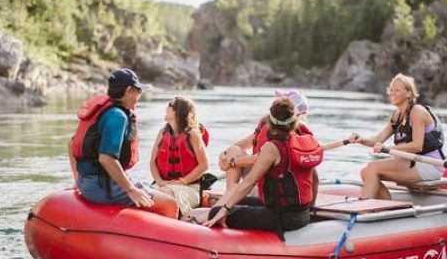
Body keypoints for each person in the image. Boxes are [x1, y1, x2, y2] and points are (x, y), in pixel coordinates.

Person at [203, 97, 322, 237]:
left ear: (269, 122)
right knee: (233, 202)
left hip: (282, 216)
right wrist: (310, 208)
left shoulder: (272, 147)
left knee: (217, 212)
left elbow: (249, 181)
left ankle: (205, 228)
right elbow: (315, 178)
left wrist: (222, 212)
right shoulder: (302, 142)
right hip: (300, 213)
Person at [68, 68, 177, 214]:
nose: (140, 95)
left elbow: (72, 143)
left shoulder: (103, 111)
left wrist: (78, 181)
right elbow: (106, 159)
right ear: (128, 91)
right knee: (170, 204)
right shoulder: (118, 116)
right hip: (104, 187)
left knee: (161, 192)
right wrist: (131, 190)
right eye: (139, 91)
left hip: (87, 183)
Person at [348, 73, 445, 200]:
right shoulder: (397, 115)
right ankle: (385, 204)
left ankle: (364, 207)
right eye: (391, 90)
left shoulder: (417, 112)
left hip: (428, 165)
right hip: (411, 162)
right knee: (365, 172)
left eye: (397, 90)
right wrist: (361, 139)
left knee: (372, 168)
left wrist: (388, 149)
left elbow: (417, 145)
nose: (392, 93)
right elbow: (378, 139)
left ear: (409, 93)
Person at [214, 89, 313, 207]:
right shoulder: (269, 125)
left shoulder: (285, 132)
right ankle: (230, 192)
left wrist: (233, 162)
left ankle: (227, 199)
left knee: (234, 154)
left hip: (271, 184)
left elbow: (260, 158)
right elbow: (244, 144)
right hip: (259, 179)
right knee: (233, 150)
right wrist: (224, 155)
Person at [150, 96, 210, 220]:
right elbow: (152, 162)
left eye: (170, 106)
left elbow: (204, 165)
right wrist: (160, 182)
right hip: (163, 185)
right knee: (147, 193)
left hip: (189, 187)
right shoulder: (162, 133)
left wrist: (183, 181)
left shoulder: (192, 134)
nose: (166, 108)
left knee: (164, 194)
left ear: (178, 112)